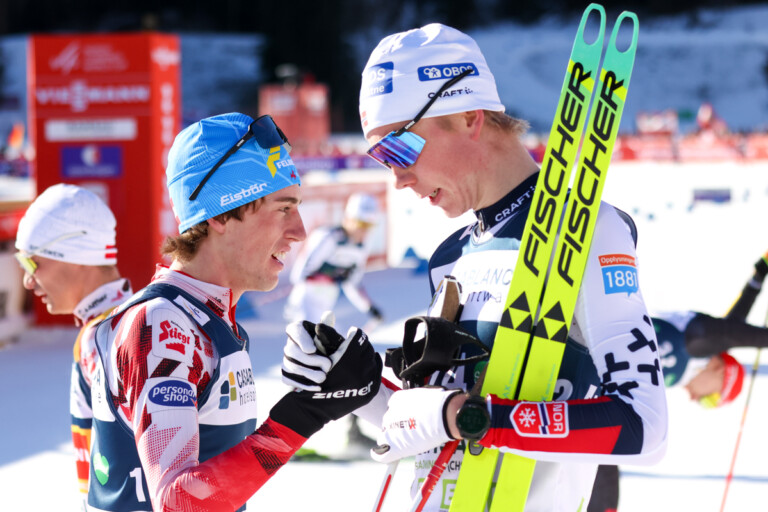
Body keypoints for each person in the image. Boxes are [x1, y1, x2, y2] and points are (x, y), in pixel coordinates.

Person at [285, 23, 667, 511]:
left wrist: (470, 419)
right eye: (380, 158)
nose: (397, 178)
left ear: (468, 116)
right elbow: (432, 434)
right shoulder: (450, 256)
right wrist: (357, 384)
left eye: (397, 148)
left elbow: (644, 426)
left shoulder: (591, 231)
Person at [86, 112, 382, 511]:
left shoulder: (207, 318)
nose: (300, 232)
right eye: (283, 209)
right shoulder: (163, 325)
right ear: (222, 215)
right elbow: (179, 502)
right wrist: (304, 414)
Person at [588, 251, 768, 512]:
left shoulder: (698, 354)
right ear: (720, 370)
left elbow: (733, 326)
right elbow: (737, 333)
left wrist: (757, 278)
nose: (696, 399)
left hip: (592, 378)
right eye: (711, 399)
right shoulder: (699, 342)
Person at [13, 183, 133, 508]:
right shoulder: (111, 327)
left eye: (31, 263)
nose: (27, 280)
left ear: (75, 255)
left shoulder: (110, 336)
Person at [284, 191, 383, 330]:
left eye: (369, 225)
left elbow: (352, 283)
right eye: (360, 223)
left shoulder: (361, 247)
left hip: (326, 306)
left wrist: (369, 308)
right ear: (348, 219)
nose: (363, 230)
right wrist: (324, 278)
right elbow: (299, 273)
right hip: (305, 302)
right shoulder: (329, 237)